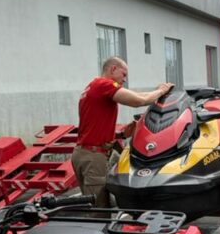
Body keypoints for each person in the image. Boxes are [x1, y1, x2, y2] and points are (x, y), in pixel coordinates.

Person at [73, 56, 173, 207]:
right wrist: (161, 91)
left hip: (84, 153)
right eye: (124, 74)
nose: (124, 79)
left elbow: (91, 127)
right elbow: (139, 100)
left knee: (93, 204)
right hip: (93, 157)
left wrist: (120, 135)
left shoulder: (92, 86)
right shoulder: (103, 84)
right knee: (99, 210)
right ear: (113, 69)